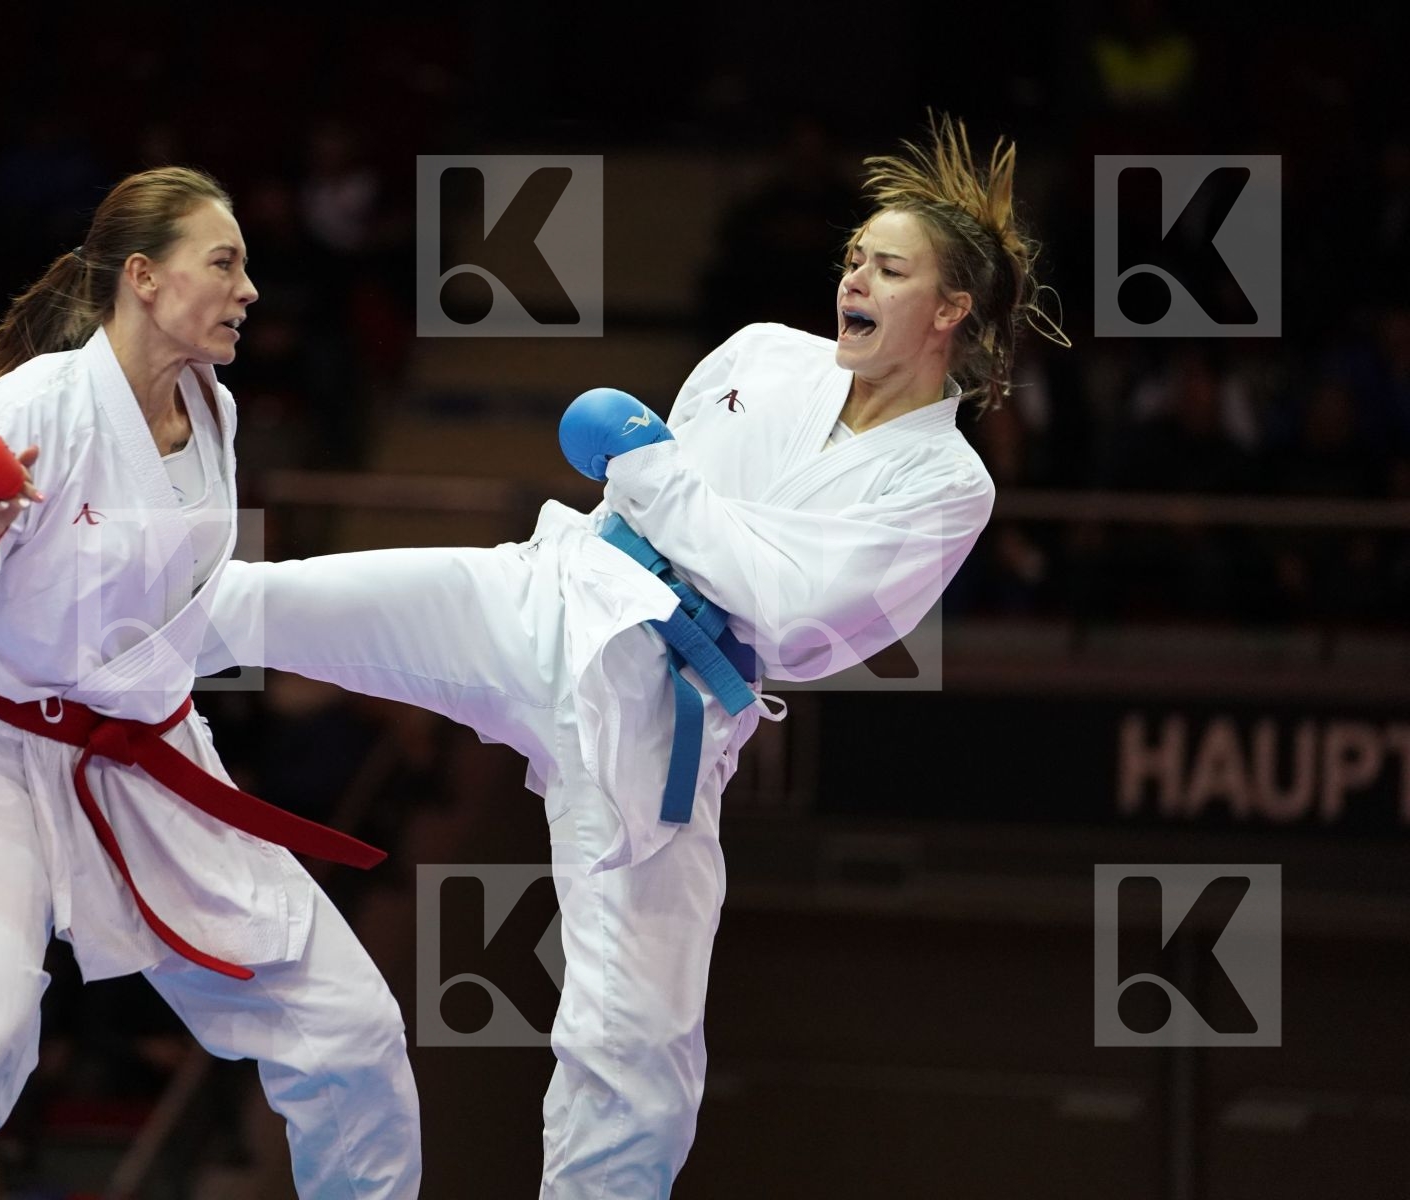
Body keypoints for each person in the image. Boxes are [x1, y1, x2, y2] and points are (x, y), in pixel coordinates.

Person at [198, 113, 1068, 1198]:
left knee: (636, 1048)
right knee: (263, 602)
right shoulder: (760, 353)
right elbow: (658, 509)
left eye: (889, 269)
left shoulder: (948, 484)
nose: (854, 276)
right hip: (561, 590)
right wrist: (653, 483)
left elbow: (793, 606)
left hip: (662, 708)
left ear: (949, 311)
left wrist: (656, 470)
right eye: (854, 256)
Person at [0, 167, 420, 1198]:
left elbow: (184, 604)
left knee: (350, 1026)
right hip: (4, 758)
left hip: (154, 754)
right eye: (225, 263)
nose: (250, 289)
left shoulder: (214, 410)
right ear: (145, 278)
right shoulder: (29, 410)